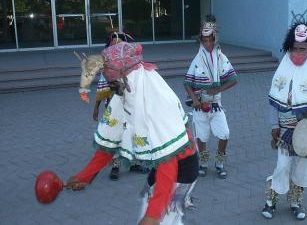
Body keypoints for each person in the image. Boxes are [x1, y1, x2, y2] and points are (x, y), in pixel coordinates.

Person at [68, 37, 198, 224]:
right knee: (157, 210)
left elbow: (168, 161)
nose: (111, 88)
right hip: (162, 168)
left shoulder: (156, 99)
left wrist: (152, 216)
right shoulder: (126, 92)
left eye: (112, 82)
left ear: (126, 76)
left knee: (161, 217)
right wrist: (85, 176)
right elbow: (110, 142)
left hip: (182, 168)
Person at [262, 21, 307, 220]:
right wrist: (274, 126)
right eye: (295, 49)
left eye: (304, 49)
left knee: (303, 168)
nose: (299, 53)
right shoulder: (281, 71)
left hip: (305, 130)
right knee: (282, 166)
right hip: (285, 129)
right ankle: (270, 201)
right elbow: (272, 102)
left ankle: (295, 202)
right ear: (289, 48)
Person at [184, 15, 238, 179]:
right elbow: (187, 82)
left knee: (224, 134)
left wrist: (218, 90)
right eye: (204, 40)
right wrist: (194, 100)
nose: (208, 43)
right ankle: (204, 163)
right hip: (200, 106)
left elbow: (234, 79)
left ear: (215, 39)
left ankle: (220, 162)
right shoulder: (197, 59)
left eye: (210, 40)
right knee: (201, 136)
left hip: (216, 105)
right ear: (201, 40)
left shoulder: (222, 58)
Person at [92, 32, 149, 181]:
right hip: (115, 107)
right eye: (115, 45)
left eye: (121, 44)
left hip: (132, 106)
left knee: (134, 133)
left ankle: (134, 163)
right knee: (117, 134)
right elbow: (102, 88)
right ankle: (115, 166)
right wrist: (97, 108)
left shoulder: (133, 63)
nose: (119, 47)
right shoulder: (109, 66)